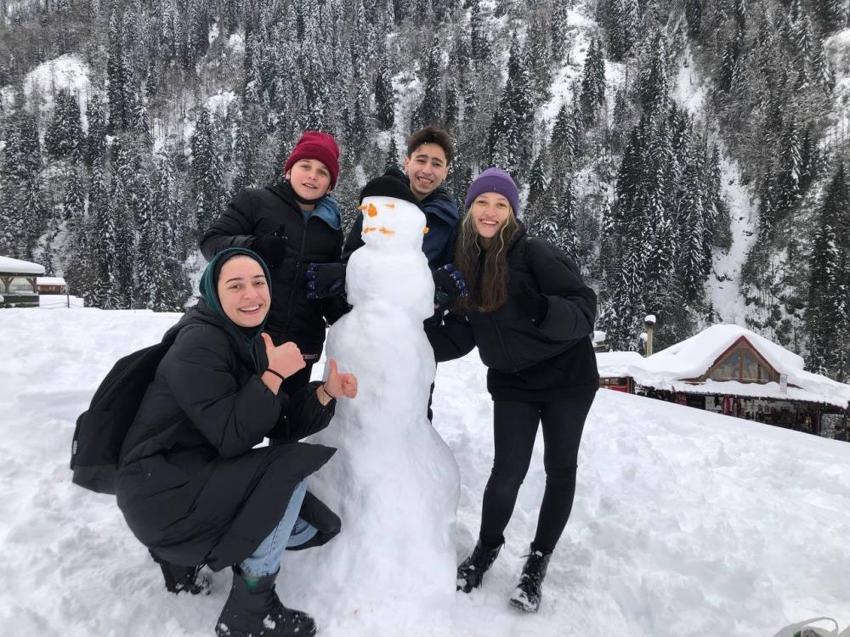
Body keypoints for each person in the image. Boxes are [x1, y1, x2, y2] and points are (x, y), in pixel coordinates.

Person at [116, 247, 357, 637]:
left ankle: (182, 560)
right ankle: (251, 607)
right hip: (161, 495)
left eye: (259, 282)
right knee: (289, 468)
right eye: (236, 285)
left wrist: (324, 393)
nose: (251, 295)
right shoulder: (200, 344)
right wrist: (274, 375)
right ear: (214, 292)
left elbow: (275, 424)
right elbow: (232, 438)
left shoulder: (243, 341)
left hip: (175, 485)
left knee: (317, 526)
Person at [425, 168, 599, 613]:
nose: (490, 211)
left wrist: (542, 309)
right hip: (513, 383)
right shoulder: (465, 264)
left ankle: (537, 563)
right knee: (507, 472)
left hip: (566, 379)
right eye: (483, 202)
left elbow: (584, 308)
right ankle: (486, 548)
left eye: (501, 205)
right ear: (470, 208)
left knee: (560, 469)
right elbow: (464, 335)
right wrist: (419, 344)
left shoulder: (535, 253)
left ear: (512, 212)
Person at [200, 131, 347, 397]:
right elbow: (211, 243)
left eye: (322, 172)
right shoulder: (256, 201)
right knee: (233, 421)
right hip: (245, 339)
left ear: (330, 185)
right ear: (289, 170)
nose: (312, 175)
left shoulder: (332, 228)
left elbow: (323, 292)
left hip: (299, 347)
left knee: (286, 428)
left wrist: (338, 295)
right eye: (305, 166)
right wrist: (254, 247)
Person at [305, 126, 466, 311]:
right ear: (407, 162)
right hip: (370, 318)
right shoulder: (379, 204)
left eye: (437, 164)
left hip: (417, 324)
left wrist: (441, 289)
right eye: (421, 160)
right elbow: (352, 256)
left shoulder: (448, 221)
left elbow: (448, 278)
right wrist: (345, 275)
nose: (427, 170)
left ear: (446, 171)